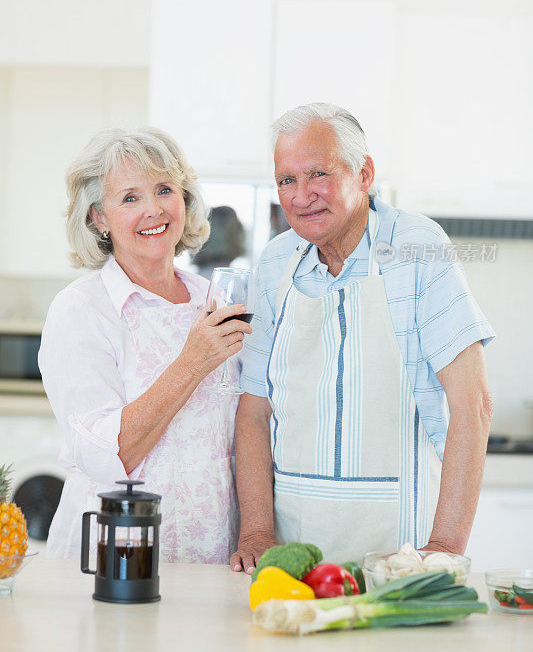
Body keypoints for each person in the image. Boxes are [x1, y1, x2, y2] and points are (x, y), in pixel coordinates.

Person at [231, 102, 494, 573]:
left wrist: (445, 546)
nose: (302, 195)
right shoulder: (274, 264)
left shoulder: (419, 248)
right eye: (286, 181)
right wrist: (255, 531)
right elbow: (254, 411)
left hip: (402, 551)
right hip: (293, 555)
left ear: (364, 172)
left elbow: (471, 405)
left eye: (318, 174)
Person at [39, 127, 252, 562]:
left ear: (184, 199)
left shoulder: (210, 300)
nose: (154, 210)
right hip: (117, 557)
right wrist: (192, 363)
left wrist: (256, 531)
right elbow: (108, 456)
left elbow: (242, 434)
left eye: (164, 190)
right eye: (130, 198)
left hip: (211, 554)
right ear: (99, 217)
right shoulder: (81, 310)